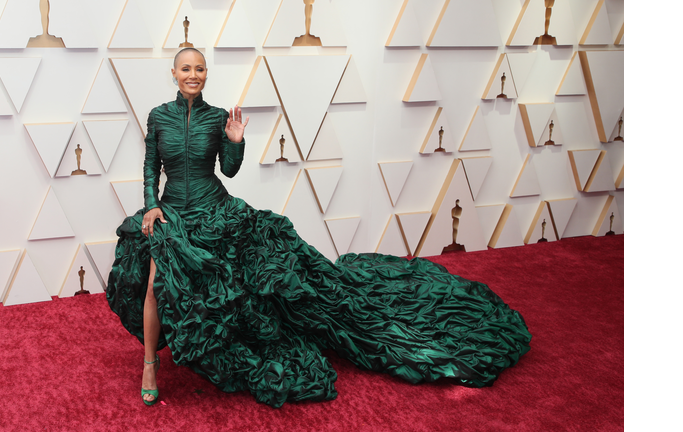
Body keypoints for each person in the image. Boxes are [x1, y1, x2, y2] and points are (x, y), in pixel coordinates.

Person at [106, 48, 531, 408]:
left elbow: (230, 172)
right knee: (154, 284)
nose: (193, 75)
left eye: (199, 69)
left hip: (216, 209)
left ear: (205, 74)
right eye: (186, 68)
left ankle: (237, 342)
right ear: (174, 73)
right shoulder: (158, 116)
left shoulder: (219, 116)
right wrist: (150, 206)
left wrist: (235, 140)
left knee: (239, 285)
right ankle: (150, 363)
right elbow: (151, 165)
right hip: (172, 215)